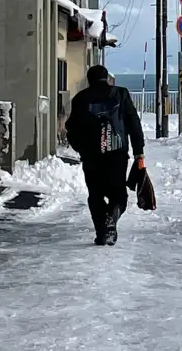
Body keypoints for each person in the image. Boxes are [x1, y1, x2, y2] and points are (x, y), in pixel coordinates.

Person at [66, 64, 145, 246]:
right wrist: (138, 150)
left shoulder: (80, 98)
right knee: (118, 194)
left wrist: (81, 149)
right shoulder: (121, 94)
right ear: (107, 78)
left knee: (95, 195)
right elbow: (133, 122)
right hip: (117, 153)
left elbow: (72, 128)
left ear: (89, 79)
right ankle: (112, 216)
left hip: (92, 156)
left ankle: (102, 234)